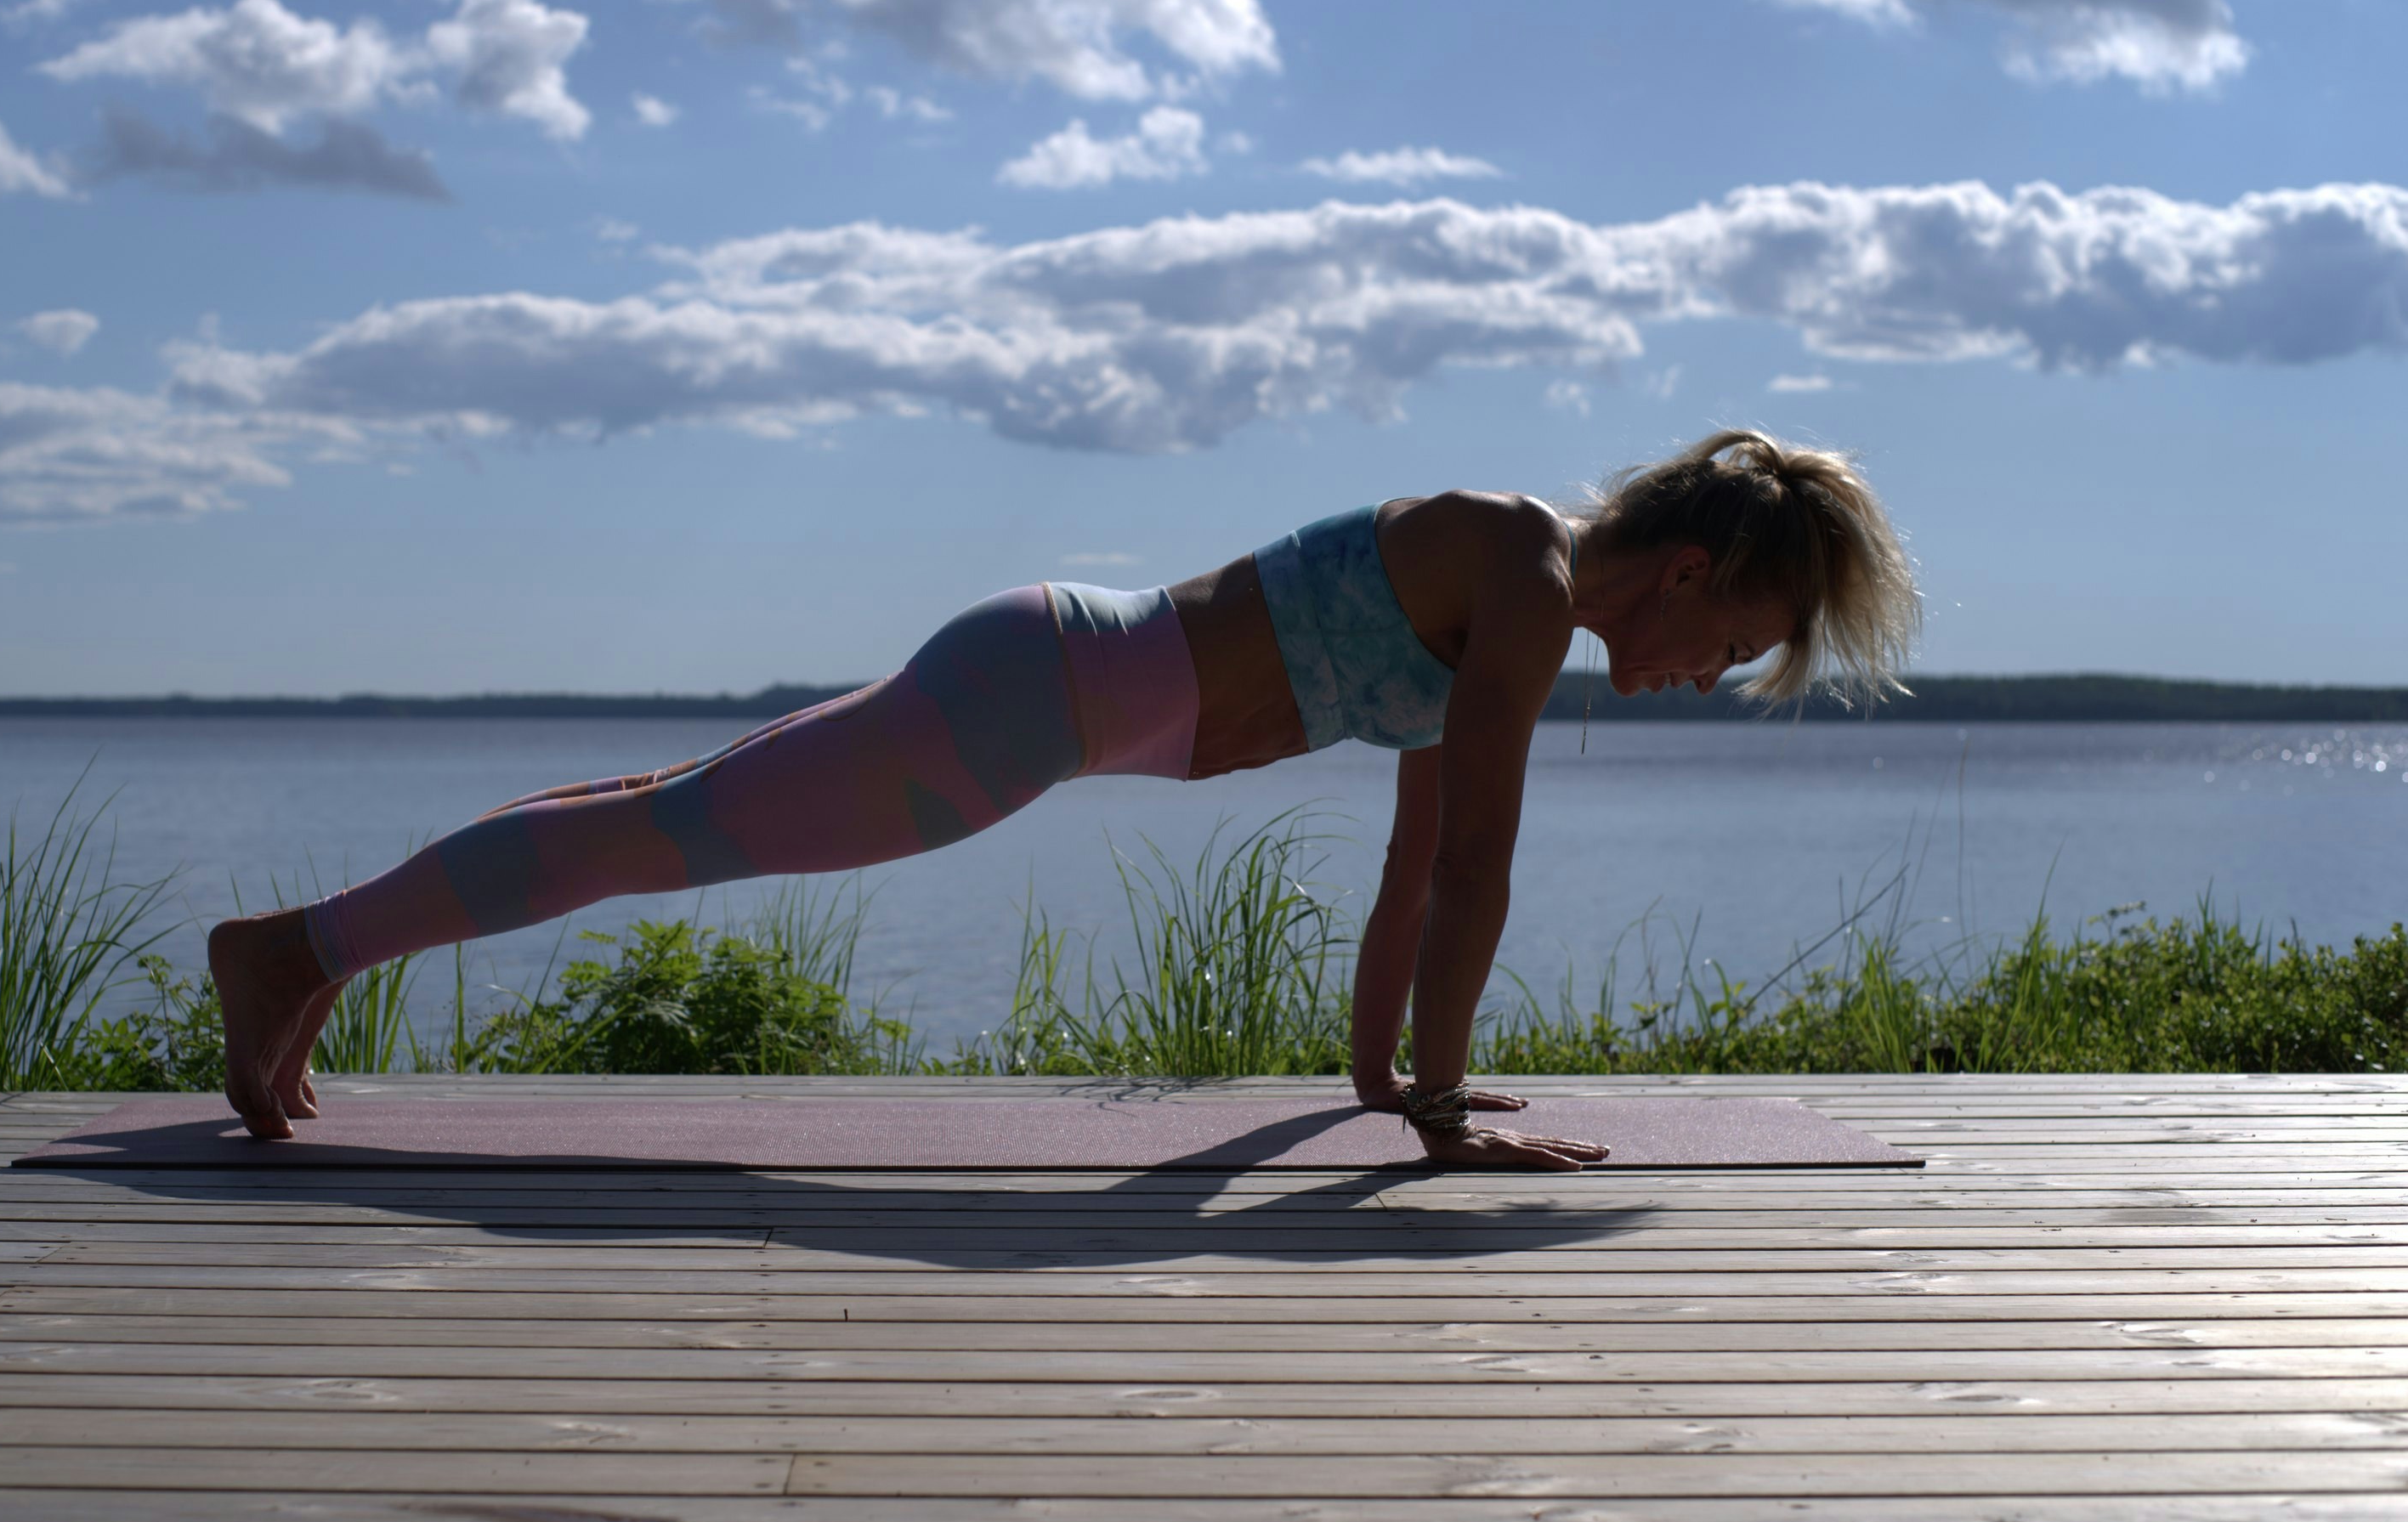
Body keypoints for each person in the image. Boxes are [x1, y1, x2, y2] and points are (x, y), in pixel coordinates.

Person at [209, 427, 1919, 1164]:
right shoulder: (1526, 575)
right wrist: (1453, 1110)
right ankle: (298, 949)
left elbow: (1414, 868)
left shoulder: (1510, 590)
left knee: (672, 812)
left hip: (1044, 690)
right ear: (1691, 570)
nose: (1712, 675)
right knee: (669, 835)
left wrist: (1386, 1078)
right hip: (1036, 699)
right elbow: (1479, 862)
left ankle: (310, 951)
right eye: (1740, 641)